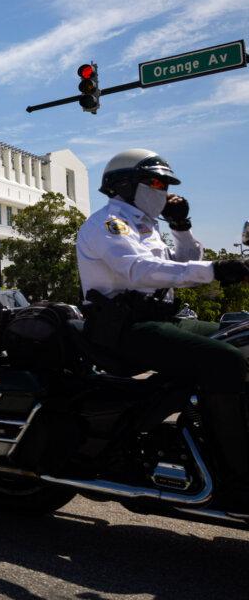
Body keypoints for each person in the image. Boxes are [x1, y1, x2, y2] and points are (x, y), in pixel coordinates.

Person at [77, 148, 249, 503]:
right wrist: (215, 270)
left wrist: (181, 227)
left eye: (165, 184)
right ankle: (239, 473)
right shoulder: (109, 223)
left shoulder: (145, 227)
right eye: (155, 182)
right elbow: (139, 271)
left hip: (161, 320)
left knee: (242, 336)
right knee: (225, 360)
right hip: (125, 329)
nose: (163, 191)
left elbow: (184, 263)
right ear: (125, 184)